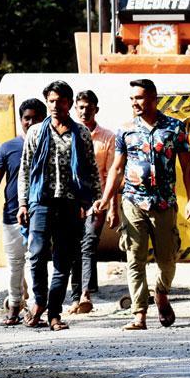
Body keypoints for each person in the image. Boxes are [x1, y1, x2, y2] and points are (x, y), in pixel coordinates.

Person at [93, 79, 190, 331]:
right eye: (131, 99)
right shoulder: (125, 130)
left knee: (167, 259)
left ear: (153, 98)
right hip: (133, 202)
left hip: (163, 203)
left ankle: (161, 293)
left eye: (139, 98)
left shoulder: (175, 128)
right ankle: (139, 313)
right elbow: (117, 168)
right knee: (134, 258)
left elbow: (187, 166)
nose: (134, 103)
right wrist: (106, 199)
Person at [17, 81, 102, 332]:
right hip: (41, 202)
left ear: (68, 103)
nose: (55, 105)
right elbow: (25, 170)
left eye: (61, 101)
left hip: (69, 204)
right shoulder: (35, 133)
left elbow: (90, 169)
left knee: (63, 260)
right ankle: (39, 302)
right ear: (47, 101)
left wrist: (95, 200)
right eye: (51, 101)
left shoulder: (81, 133)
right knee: (36, 254)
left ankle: (54, 312)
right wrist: (23, 203)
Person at [0, 99, 44, 326]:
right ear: (20, 120)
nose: (30, 123)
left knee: (36, 263)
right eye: (26, 118)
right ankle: (14, 307)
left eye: (35, 118)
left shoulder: (49, 145)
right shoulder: (8, 147)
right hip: (12, 214)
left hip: (41, 214)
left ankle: (37, 309)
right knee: (14, 264)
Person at [67, 90, 117, 314]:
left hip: (97, 200)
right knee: (72, 245)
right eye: (80, 107)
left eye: (88, 107)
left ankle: (85, 293)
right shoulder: (68, 135)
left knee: (88, 243)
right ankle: (76, 294)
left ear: (96, 109)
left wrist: (112, 206)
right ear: (74, 109)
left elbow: (112, 175)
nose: (84, 111)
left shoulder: (107, 137)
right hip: (70, 201)